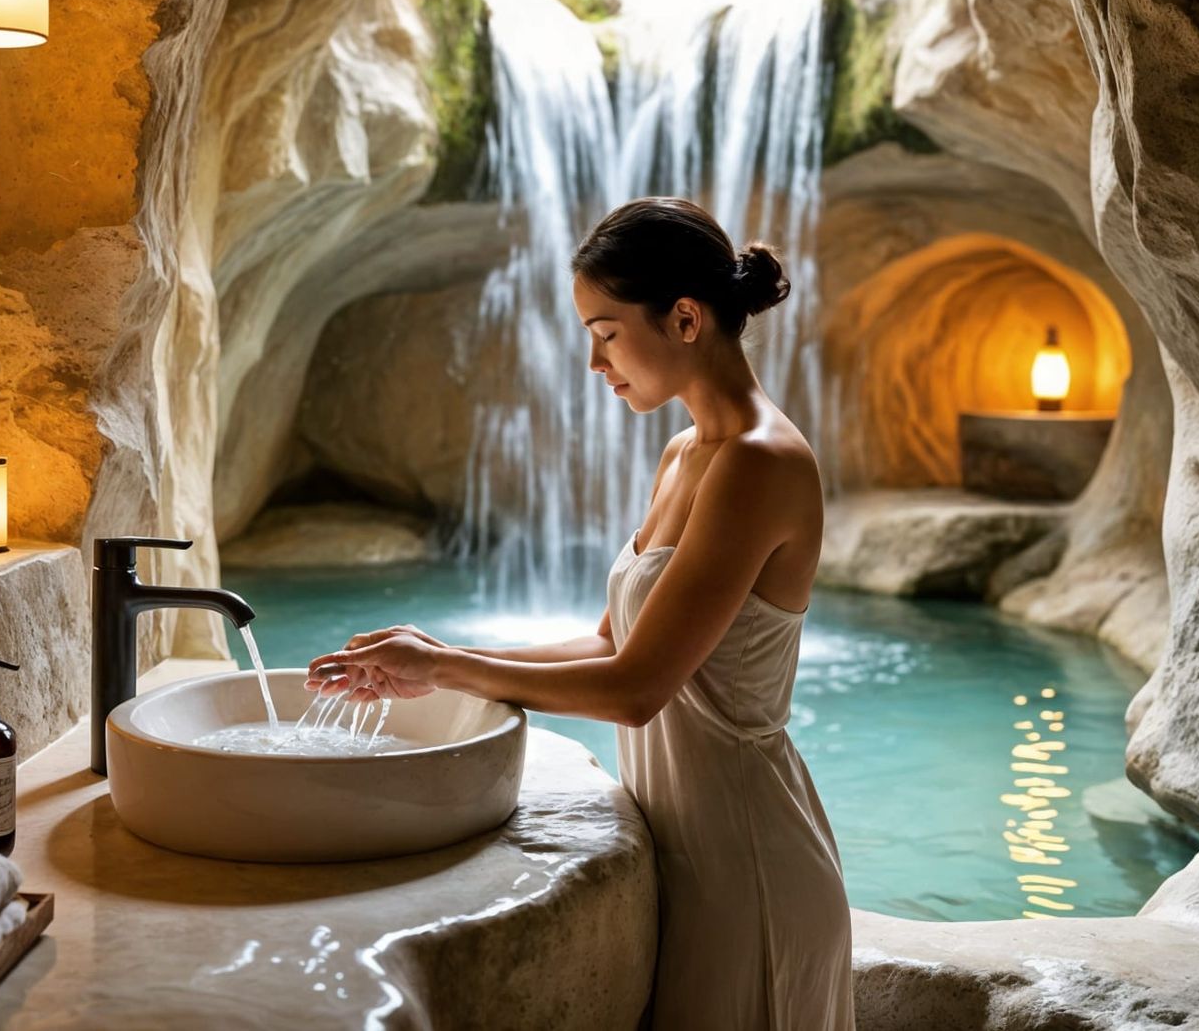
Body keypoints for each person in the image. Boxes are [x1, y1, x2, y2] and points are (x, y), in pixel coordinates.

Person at [306, 196, 854, 1029]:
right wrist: (432, 655)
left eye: (604, 332)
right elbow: (608, 641)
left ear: (683, 318)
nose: (594, 363)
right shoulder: (684, 454)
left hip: (750, 865)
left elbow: (636, 688)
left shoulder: (758, 464)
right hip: (683, 852)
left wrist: (446, 670)